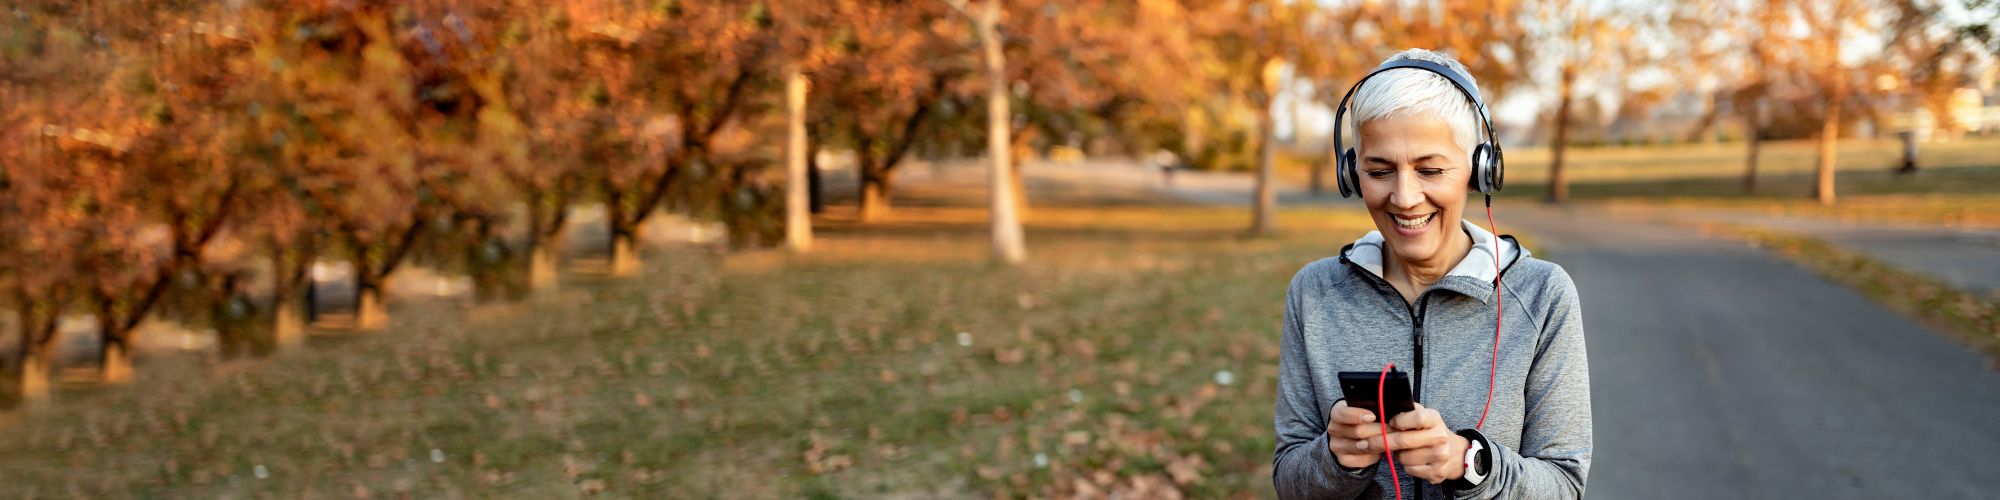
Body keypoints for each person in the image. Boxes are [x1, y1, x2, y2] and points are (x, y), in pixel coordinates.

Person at [1271, 49, 1592, 499]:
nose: (1404, 197)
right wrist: (1336, 459)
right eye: (1379, 171)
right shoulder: (1314, 293)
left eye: (1431, 170)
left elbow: (1564, 486)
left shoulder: (1542, 295)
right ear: (1350, 172)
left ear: (1479, 171)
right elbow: (1289, 479)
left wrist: (1470, 463)